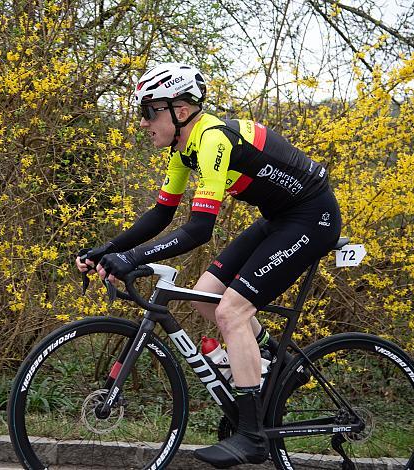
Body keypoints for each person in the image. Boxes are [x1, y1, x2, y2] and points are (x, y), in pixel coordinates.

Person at [75, 62, 342, 467]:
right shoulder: (184, 149)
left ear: (180, 110)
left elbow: (199, 230)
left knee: (233, 310)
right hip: (279, 217)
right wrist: (107, 249)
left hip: (312, 216)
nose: (143, 122)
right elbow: (162, 214)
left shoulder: (214, 138)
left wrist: (132, 259)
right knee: (204, 297)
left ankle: (252, 436)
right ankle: (281, 364)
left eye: (149, 111)